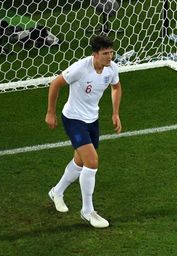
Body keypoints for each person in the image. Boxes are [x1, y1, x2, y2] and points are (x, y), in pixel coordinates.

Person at [46, 34, 122, 228]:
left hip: (92, 120)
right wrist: (50, 113)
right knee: (92, 161)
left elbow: (116, 87)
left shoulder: (111, 69)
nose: (110, 57)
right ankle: (87, 211)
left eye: (111, 52)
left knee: (80, 162)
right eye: (105, 53)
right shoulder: (80, 69)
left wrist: (115, 113)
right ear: (95, 54)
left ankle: (57, 191)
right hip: (73, 119)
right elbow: (55, 84)